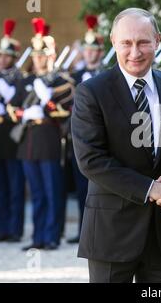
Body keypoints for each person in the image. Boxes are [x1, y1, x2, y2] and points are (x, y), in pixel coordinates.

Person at [71, 8, 161, 283]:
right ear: (113, 41)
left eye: (143, 42)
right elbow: (92, 160)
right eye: (126, 43)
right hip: (111, 233)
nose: (135, 52)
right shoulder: (91, 92)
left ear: (158, 40)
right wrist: (151, 189)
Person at [16, 18, 74, 251]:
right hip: (28, 142)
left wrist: (48, 102)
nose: (38, 59)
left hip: (50, 140)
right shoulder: (27, 80)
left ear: (52, 55)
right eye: (36, 55)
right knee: (37, 194)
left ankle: (52, 236)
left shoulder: (62, 82)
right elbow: (13, 108)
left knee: (52, 192)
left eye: (43, 55)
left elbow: (67, 113)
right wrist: (25, 113)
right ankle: (37, 236)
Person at [0, 19, 26, 244]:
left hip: (12, 136)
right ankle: (1, 229)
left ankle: (15, 229)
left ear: (14, 57)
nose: (1, 59)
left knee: (15, 186)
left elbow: (20, 103)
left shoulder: (19, 78)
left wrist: (9, 95)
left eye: (6, 56)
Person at [67, 15, 106, 244]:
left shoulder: (106, 75)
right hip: (78, 138)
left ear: (100, 52)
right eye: (87, 50)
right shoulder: (75, 76)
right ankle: (83, 230)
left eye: (94, 50)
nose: (90, 54)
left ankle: (99, 230)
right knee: (81, 189)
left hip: (101, 138)